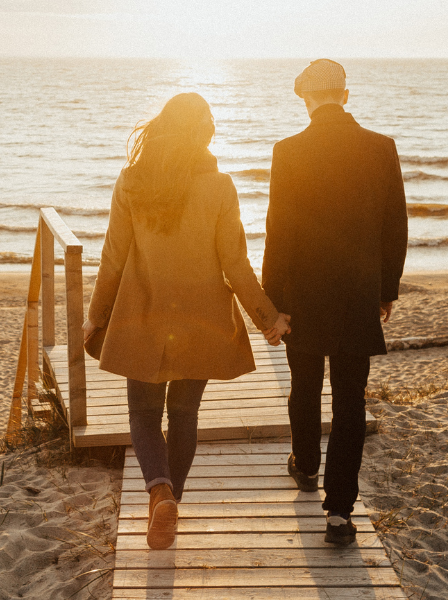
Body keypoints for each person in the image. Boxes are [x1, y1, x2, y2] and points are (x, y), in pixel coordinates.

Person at [83, 92, 285, 550]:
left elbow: (112, 258)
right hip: (204, 319)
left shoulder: (132, 183)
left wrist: (95, 317)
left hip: (142, 315)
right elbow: (236, 265)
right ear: (204, 134)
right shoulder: (221, 187)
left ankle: (160, 493)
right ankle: (171, 498)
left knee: (143, 412)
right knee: (185, 413)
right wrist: (268, 318)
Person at [262, 59, 408, 546]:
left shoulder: (288, 151)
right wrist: (386, 289)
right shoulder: (380, 148)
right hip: (357, 293)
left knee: (304, 386)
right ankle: (340, 513)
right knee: (350, 402)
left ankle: (305, 465)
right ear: (345, 96)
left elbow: (277, 233)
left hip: (303, 295)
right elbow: (395, 227)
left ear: (306, 99)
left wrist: (273, 303)